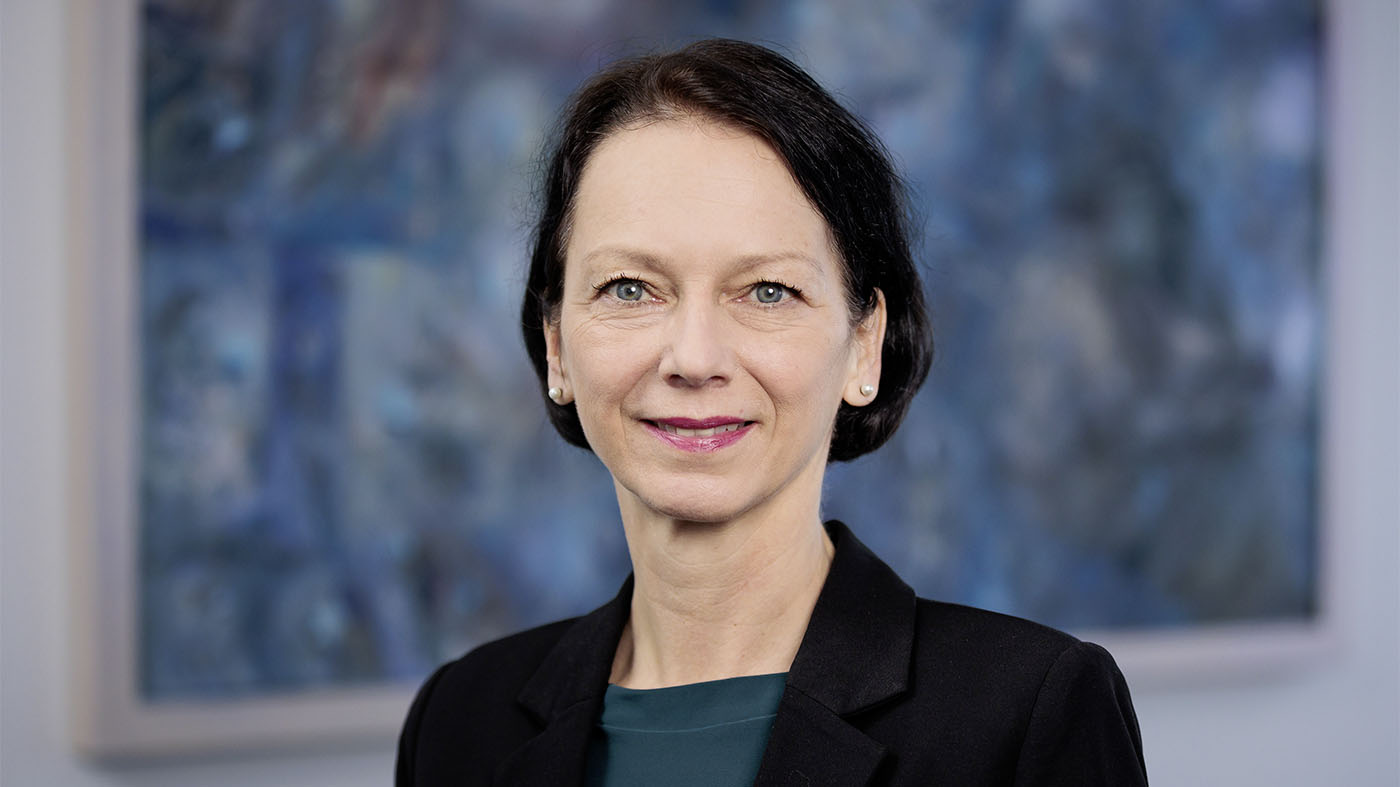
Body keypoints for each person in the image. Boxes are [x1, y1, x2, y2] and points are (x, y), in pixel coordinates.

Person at [397, 38, 1147, 786]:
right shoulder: (458, 723)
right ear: (557, 345)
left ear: (863, 347)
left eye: (767, 291)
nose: (694, 357)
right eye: (630, 288)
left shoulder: (1028, 712)